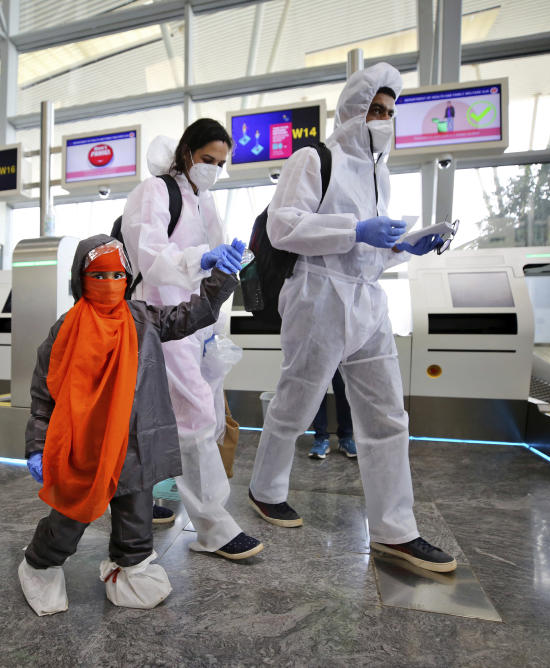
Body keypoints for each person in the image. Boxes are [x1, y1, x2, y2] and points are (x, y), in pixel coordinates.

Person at [246, 63, 457, 573]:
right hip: (318, 295)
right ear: (353, 109)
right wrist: (355, 228)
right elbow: (283, 226)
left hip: (367, 298)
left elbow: (369, 251)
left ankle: (395, 529)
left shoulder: (381, 172)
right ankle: (265, 488)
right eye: (375, 109)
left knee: (387, 414)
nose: (382, 119)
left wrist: (407, 246)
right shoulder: (314, 158)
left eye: (389, 111)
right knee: (298, 400)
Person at [18, 235, 244, 615]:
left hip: (136, 444)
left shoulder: (144, 319)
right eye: (99, 274)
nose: (110, 282)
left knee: (136, 518)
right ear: (80, 278)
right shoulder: (64, 332)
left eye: (118, 274)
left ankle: (131, 568)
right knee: (72, 516)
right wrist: (37, 446)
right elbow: (44, 397)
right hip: (84, 447)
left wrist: (221, 276)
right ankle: (39, 565)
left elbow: (194, 313)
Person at [120, 119, 264, 560]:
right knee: (196, 417)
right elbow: (149, 252)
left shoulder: (206, 203)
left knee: (160, 417)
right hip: (160, 318)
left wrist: (228, 262)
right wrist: (199, 257)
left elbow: (216, 262)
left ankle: (140, 502)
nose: (214, 170)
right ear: (186, 152)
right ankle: (214, 527)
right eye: (207, 160)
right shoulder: (155, 192)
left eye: (221, 163)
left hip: (197, 323)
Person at [308, 369, 355, 459]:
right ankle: (321, 439)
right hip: (317, 355)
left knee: (343, 388)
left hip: (343, 355)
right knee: (318, 390)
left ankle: (346, 438)